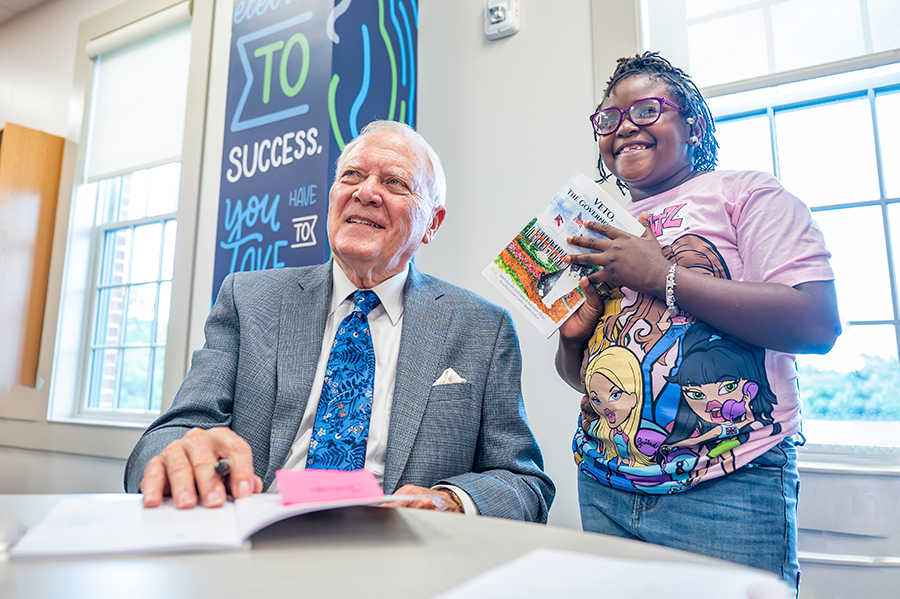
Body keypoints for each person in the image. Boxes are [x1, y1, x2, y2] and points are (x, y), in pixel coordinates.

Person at [125, 120, 555, 523]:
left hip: (397, 553)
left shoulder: (481, 327)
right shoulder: (248, 299)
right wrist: (178, 454)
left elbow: (523, 483)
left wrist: (453, 501)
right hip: (256, 533)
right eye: (351, 176)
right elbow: (170, 435)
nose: (366, 192)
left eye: (394, 182)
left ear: (433, 224)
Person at [555, 52, 840, 588]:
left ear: (694, 124)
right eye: (608, 119)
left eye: (645, 110)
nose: (624, 128)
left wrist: (660, 275)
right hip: (604, 487)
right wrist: (573, 342)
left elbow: (816, 324)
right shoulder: (594, 229)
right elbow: (587, 383)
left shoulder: (746, 194)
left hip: (727, 491)